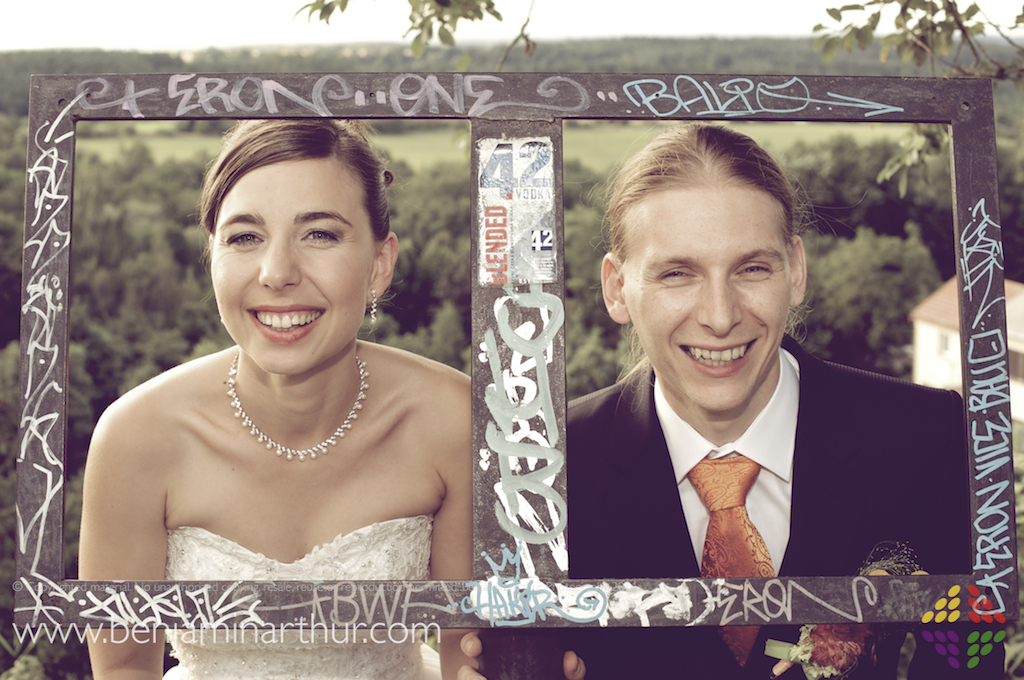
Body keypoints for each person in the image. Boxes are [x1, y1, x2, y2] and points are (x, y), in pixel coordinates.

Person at [459, 123, 999, 679]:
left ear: (796, 270)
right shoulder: (545, 472)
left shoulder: (926, 437)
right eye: (677, 273)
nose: (720, 316)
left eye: (752, 268)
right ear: (617, 289)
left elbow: (969, 662)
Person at [78, 118, 474, 680]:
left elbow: (471, 657)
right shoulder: (135, 436)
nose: (277, 273)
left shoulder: (454, 419)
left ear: (379, 264)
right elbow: (122, 668)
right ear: (212, 257)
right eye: (245, 237)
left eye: (320, 234)